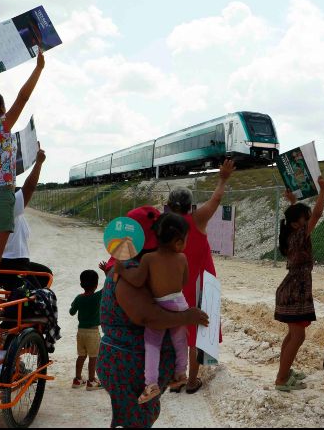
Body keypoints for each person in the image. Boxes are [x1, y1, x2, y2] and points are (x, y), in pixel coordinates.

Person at [97, 206, 209, 428]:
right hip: (127, 368)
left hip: (130, 367)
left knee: (138, 417)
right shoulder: (129, 270)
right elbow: (149, 317)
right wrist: (187, 316)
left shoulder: (142, 265)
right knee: (136, 420)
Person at [0, 51, 45, 317]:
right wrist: (38, 68)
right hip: (0, 198)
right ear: (1, 109)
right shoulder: (2, 127)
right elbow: (23, 98)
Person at [167, 159, 235, 394]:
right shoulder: (196, 220)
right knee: (196, 334)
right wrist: (223, 178)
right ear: (190, 205)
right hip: (200, 283)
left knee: (176, 331)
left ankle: (176, 378)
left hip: (173, 284)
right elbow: (216, 200)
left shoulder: (165, 225)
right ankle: (191, 381)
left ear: (169, 205)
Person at [118, 212, 190, 404]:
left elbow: (137, 280)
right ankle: (181, 373)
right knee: (180, 340)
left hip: (161, 307)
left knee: (152, 345)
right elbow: (184, 282)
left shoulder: (149, 259)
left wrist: (122, 271)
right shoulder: (182, 258)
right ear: (178, 242)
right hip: (180, 304)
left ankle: (151, 384)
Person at [274, 176, 324, 392]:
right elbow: (317, 214)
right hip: (296, 290)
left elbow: (300, 217)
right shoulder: (299, 235)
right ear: (297, 224)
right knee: (298, 336)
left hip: (292, 288)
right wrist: (323, 190)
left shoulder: (291, 232)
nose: (309, 221)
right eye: (304, 219)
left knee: (292, 335)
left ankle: (284, 372)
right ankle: (281, 379)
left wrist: (293, 203)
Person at [0, 144, 53, 291]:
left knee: (46, 274)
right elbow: (29, 187)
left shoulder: (1, 204)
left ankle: (14, 297)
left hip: (14, 262)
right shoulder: (7, 204)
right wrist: (38, 163)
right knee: (37, 294)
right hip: (11, 263)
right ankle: (16, 301)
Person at [70, 270, 103, 391]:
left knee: (81, 355)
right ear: (96, 285)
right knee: (93, 357)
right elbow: (108, 287)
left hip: (81, 332)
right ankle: (91, 381)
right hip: (93, 333)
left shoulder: (79, 298)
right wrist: (107, 272)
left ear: (81, 284)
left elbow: (71, 312)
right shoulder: (97, 296)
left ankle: (77, 379)